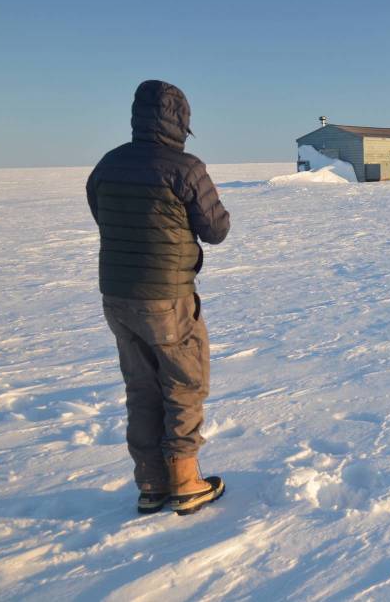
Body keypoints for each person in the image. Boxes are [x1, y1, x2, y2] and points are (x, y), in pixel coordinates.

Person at [86, 80, 230, 515]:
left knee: (142, 389)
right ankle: (185, 480)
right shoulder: (184, 167)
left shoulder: (107, 165)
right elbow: (216, 229)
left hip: (117, 296)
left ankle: (151, 484)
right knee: (183, 384)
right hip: (167, 298)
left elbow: (100, 212)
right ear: (181, 121)